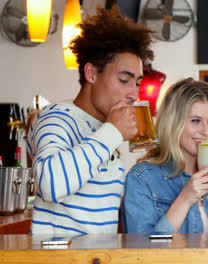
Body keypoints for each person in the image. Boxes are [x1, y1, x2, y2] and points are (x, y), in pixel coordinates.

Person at [27, 6, 154, 234]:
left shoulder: (102, 129)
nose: (134, 94)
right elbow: (50, 185)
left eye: (137, 83)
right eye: (124, 80)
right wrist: (113, 133)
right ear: (92, 74)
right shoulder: (56, 117)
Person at [122, 78, 208, 234]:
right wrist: (185, 199)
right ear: (173, 123)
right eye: (195, 121)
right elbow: (141, 253)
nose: (206, 131)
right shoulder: (141, 178)